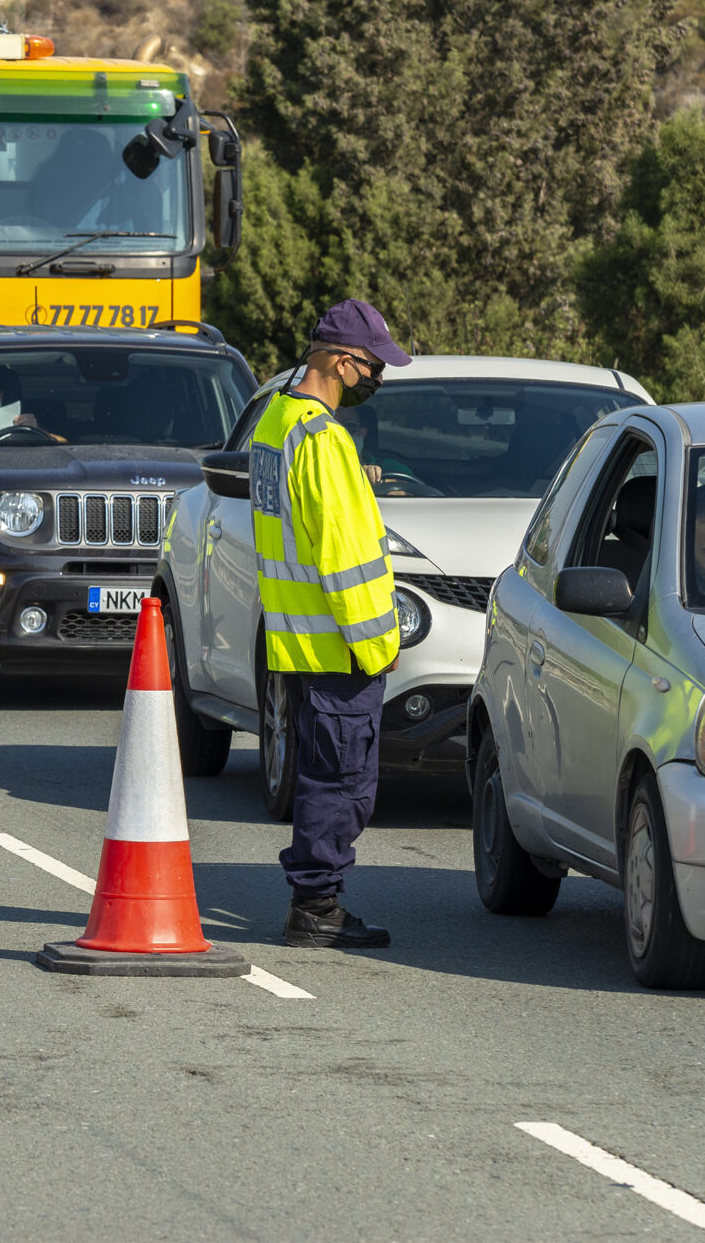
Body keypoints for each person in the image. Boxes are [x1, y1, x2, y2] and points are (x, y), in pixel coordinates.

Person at [253, 298, 409, 949]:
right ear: (341, 361)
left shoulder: (275, 423)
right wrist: (380, 646)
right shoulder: (323, 441)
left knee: (324, 776)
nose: (377, 379)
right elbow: (345, 559)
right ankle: (316, 907)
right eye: (373, 366)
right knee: (340, 783)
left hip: (296, 639)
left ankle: (317, 902)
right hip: (340, 648)